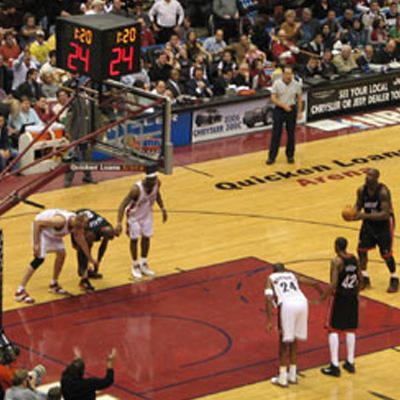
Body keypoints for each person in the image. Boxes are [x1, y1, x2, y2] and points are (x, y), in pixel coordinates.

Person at [14, 209, 97, 304]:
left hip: (54, 234)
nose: (85, 226)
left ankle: (54, 284)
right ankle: (20, 291)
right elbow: (37, 223)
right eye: (84, 224)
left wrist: (91, 259)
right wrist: (36, 244)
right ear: (79, 221)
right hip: (42, 230)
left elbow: (82, 242)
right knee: (39, 259)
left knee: (62, 254)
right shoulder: (60, 221)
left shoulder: (77, 226)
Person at [265, 263, 323, 388]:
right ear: (285, 270)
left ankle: (282, 377)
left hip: (287, 305)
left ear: (274, 271)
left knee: (283, 341)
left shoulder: (271, 278)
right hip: (302, 303)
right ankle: (292, 374)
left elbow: (269, 298)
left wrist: (269, 320)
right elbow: (314, 283)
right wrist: (321, 296)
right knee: (294, 339)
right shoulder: (292, 275)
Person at [350, 169, 398, 292]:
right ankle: (365, 278)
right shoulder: (361, 190)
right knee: (361, 250)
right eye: (367, 175)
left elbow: (385, 214)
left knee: (386, 254)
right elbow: (358, 205)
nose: (367, 177)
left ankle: (394, 278)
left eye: (371, 176)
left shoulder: (383, 192)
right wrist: (353, 213)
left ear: (377, 178)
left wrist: (363, 216)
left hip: (384, 224)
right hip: (369, 224)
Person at [320, 237, 362, 377]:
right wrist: (355, 292)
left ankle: (334, 365)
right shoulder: (354, 259)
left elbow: (333, 283)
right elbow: (361, 279)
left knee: (334, 330)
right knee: (351, 329)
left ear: (336, 247)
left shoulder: (336, 261)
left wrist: (322, 297)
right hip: (352, 297)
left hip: (340, 298)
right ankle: (350, 362)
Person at [115, 170, 168, 279]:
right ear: (146, 179)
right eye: (151, 181)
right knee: (134, 239)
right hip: (134, 217)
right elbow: (122, 205)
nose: (153, 183)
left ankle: (144, 263)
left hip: (147, 214)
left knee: (146, 238)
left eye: (154, 181)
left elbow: (157, 194)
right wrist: (119, 223)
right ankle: (135, 265)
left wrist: (162, 208)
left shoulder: (157, 183)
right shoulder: (136, 189)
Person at [266, 66, 303, 165]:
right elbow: (273, 98)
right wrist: (283, 106)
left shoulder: (296, 84)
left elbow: (299, 98)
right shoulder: (277, 83)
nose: (288, 76)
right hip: (279, 110)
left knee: (291, 134)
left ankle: (290, 155)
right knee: (276, 134)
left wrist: (299, 112)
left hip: (291, 109)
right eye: (286, 74)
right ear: (283, 74)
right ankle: (272, 157)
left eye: (290, 74)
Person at [72, 209, 116, 290]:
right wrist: (91, 260)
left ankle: (86, 270)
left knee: (88, 243)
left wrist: (98, 262)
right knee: (85, 244)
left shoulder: (106, 225)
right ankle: (83, 274)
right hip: (76, 220)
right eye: (106, 237)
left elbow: (103, 245)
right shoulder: (89, 230)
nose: (106, 239)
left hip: (87, 219)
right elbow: (82, 244)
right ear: (102, 231)